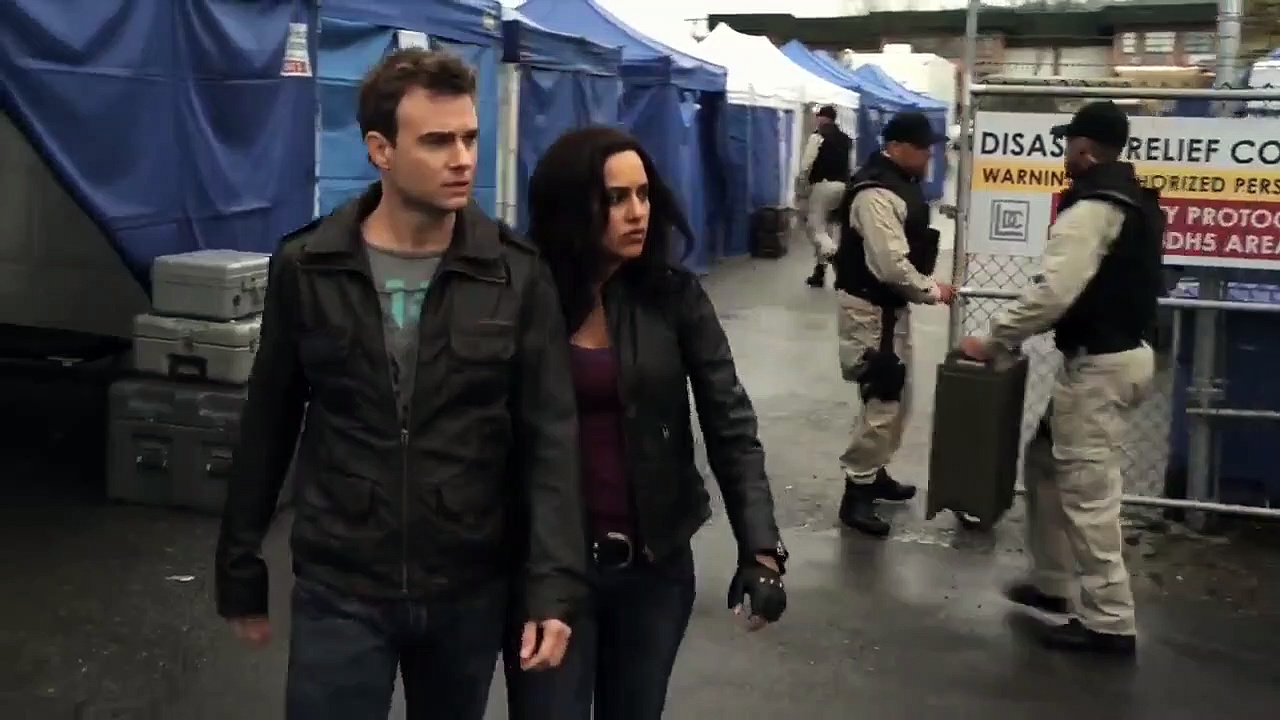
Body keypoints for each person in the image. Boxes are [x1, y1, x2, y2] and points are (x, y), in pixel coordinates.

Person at [214, 48, 588, 719]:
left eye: (470, 138)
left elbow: (551, 440)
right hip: (341, 582)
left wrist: (553, 585)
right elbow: (269, 420)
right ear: (380, 150)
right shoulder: (310, 266)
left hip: (467, 585)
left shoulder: (515, 274)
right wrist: (240, 564)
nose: (463, 159)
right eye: (437, 141)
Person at [502, 126, 789, 720]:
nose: (637, 212)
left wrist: (760, 548)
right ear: (571, 206)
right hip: (549, 572)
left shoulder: (673, 297)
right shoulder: (524, 299)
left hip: (653, 569)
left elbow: (730, 421)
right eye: (615, 198)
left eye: (643, 194)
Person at [960, 101, 1162, 656]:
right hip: (1121, 357)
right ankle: (1052, 583)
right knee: (1045, 462)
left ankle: (1109, 621)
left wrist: (993, 338)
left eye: (1068, 144)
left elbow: (1052, 293)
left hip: (1099, 368)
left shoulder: (1093, 207)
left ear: (1085, 149)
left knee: (1088, 496)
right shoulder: (1135, 198)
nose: (1064, 154)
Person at [831, 112, 954, 538]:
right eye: (922, 148)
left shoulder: (897, 183)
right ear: (897, 147)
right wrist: (932, 290)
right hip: (871, 309)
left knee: (898, 396)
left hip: (886, 308)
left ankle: (874, 471)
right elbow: (890, 264)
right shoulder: (876, 193)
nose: (928, 156)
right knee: (883, 395)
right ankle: (857, 490)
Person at [799, 105, 853, 289]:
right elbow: (850, 165)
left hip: (823, 185)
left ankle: (836, 259)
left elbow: (806, 164)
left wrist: (802, 185)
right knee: (827, 229)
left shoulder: (818, 137)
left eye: (819, 116)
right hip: (842, 186)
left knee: (814, 228)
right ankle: (820, 271)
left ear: (823, 118)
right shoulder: (846, 139)